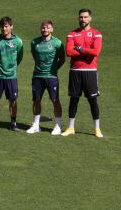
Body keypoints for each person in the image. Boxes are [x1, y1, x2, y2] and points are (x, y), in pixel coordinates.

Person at [63, 8, 103, 137]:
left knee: (92, 100)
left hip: (90, 71)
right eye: (81, 17)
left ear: (90, 18)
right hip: (75, 71)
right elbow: (69, 52)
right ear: (78, 18)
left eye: (85, 17)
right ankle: (70, 127)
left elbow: (95, 52)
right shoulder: (72, 34)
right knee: (74, 99)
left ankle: (97, 129)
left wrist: (79, 49)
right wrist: (86, 51)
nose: (83, 19)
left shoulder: (97, 34)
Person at [0, 16, 24, 131]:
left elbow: (19, 57)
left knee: (13, 100)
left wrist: (11, 67)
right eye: (2, 26)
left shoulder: (18, 41)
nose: (4, 29)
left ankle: (13, 123)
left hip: (11, 76)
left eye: (6, 26)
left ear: (11, 27)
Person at [27, 20, 65, 135]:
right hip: (37, 76)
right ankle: (36, 125)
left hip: (51, 77)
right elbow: (35, 56)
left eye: (48, 28)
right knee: (36, 100)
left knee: (55, 100)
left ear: (52, 29)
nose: (45, 30)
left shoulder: (57, 43)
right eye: (43, 28)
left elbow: (62, 59)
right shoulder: (35, 42)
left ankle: (58, 126)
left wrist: (53, 69)